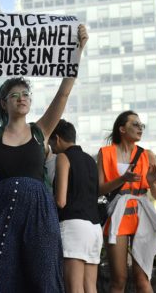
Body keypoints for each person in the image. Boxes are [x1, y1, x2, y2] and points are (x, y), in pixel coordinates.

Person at [0, 24, 88, 293]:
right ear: (3, 104)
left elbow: (63, 93)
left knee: (40, 278)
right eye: (14, 95)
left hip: (38, 211)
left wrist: (77, 50)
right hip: (0, 209)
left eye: (25, 94)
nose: (21, 98)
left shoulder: (41, 131)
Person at [97, 110, 156, 293]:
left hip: (142, 215)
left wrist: (151, 182)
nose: (140, 128)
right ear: (122, 129)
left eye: (141, 125)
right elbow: (100, 188)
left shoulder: (147, 154)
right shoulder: (105, 153)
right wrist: (122, 179)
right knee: (119, 279)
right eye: (135, 124)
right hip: (117, 215)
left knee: (142, 277)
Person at [49, 119, 102, 293]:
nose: (52, 148)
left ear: (57, 138)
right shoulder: (89, 160)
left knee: (74, 288)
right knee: (90, 287)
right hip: (94, 228)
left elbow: (61, 201)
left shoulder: (63, 157)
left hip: (73, 227)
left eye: (51, 142)